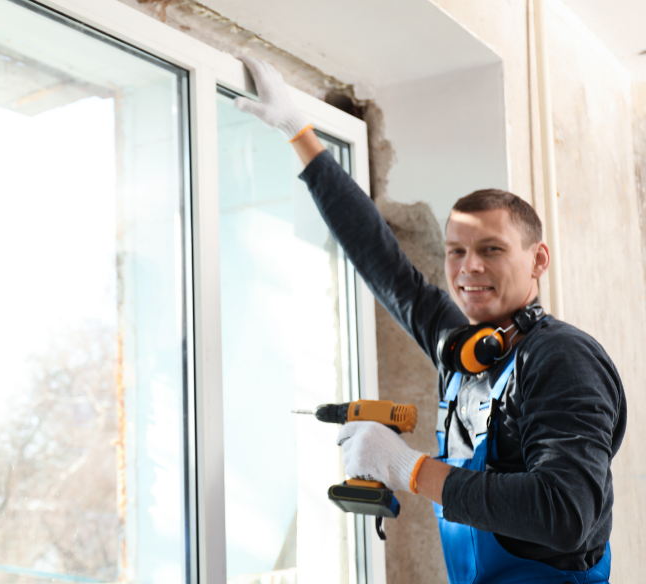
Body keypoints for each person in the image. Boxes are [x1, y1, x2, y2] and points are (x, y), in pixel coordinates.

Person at [235, 56, 624, 583]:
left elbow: (566, 513)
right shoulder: (466, 348)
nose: (469, 268)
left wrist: (410, 470)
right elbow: (382, 261)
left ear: (537, 260)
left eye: (491, 249)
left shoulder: (561, 358)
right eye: (456, 251)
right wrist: (297, 131)